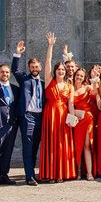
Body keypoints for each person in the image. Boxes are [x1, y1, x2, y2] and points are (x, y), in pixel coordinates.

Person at [39, 32, 76, 182]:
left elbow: (71, 104)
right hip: (51, 115)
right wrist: (50, 46)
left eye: (63, 69)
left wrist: (72, 119)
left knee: (62, 144)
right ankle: (50, 173)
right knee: (51, 144)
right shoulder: (49, 81)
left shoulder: (69, 85)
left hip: (64, 116)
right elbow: (47, 62)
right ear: (55, 71)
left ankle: (61, 173)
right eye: (58, 69)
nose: (61, 71)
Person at [10, 40, 45, 186]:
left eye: (36, 66)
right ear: (29, 68)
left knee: (35, 147)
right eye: (32, 67)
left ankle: (32, 174)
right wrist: (17, 53)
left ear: (40, 67)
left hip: (40, 117)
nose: (34, 69)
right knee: (28, 146)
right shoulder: (24, 78)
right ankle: (29, 176)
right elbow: (14, 69)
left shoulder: (44, 83)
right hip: (27, 116)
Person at [69, 67, 98, 180]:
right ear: (74, 75)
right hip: (77, 119)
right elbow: (70, 104)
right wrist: (73, 116)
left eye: (81, 76)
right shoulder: (70, 88)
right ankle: (78, 171)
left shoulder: (87, 87)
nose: (79, 77)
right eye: (78, 75)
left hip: (87, 118)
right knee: (77, 145)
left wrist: (95, 78)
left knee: (86, 145)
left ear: (84, 78)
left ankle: (89, 173)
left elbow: (95, 92)